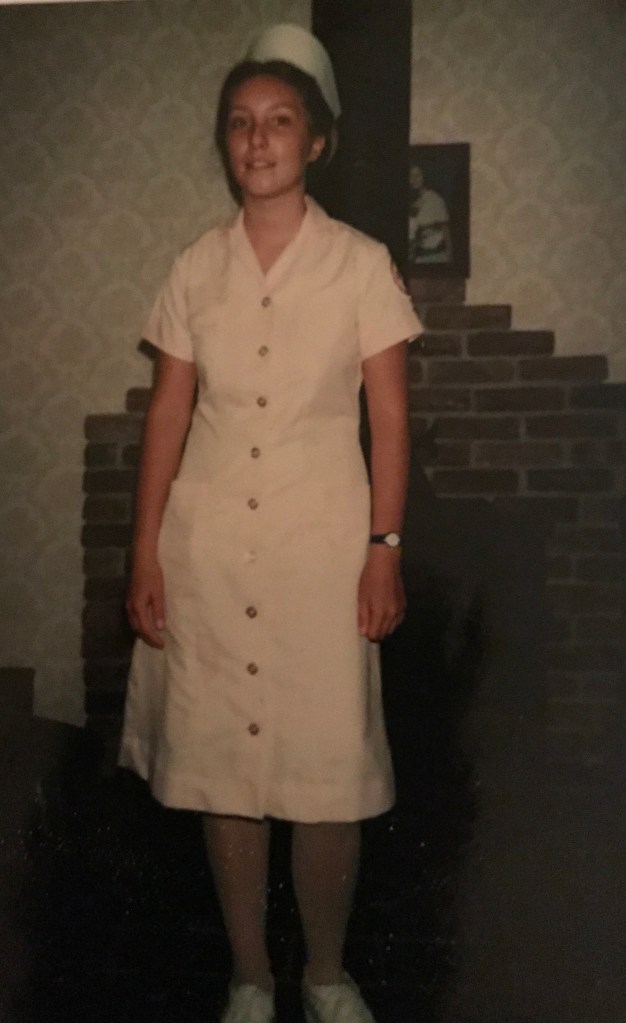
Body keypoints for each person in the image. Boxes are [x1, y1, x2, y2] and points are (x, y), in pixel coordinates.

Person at [119, 23, 421, 1023]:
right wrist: (144, 552)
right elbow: (168, 413)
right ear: (226, 143)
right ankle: (250, 974)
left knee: (326, 774)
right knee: (224, 774)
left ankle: (324, 972)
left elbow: (388, 418)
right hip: (206, 552)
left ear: (316, 141)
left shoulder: (360, 265)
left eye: (280, 121)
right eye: (241, 123)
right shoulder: (193, 268)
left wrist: (383, 550)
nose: (258, 140)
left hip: (319, 554)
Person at [408, 162, 453, 265]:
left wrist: (450, 259)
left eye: (417, 175)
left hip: (435, 256)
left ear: (424, 176)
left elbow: (446, 230)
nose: (414, 179)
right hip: (417, 257)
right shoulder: (412, 201)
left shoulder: (435, 199)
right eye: (411, 176)